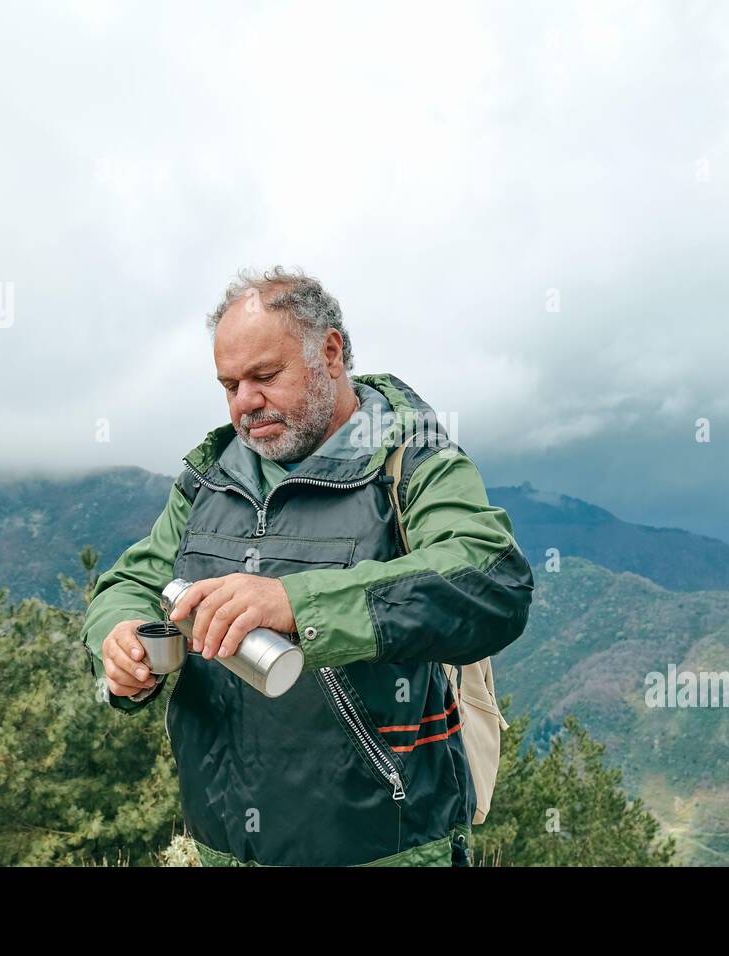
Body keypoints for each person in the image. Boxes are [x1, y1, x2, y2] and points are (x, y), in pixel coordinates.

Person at [79, 266, 535, 866]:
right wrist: (117, 638)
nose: (245, 403)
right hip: (220, 850)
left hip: (386, 851)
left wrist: (296, 603)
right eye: (229, 384)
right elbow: (131, 582)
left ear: (330, 351)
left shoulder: (409, 460)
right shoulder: (210, 478)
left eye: (265, 376)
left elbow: (490, 579)